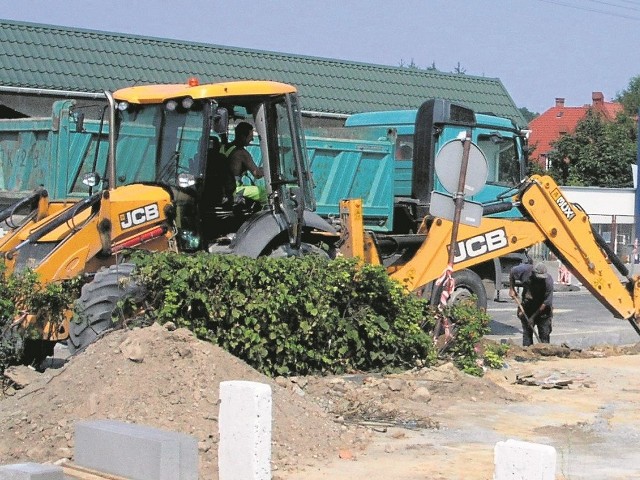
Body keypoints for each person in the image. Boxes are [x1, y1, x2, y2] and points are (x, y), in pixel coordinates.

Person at [220, 121, 266, 204]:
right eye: (250, 137)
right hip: (235, 190)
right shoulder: (241, 153)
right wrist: (266, 171)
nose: (252, 139)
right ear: (243, 136)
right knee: (265, 193)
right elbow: (257, 174)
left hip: (221, 188)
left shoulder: (223, 147)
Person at [508, 262, 554, 346]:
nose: (540, 279)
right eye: (538, 277)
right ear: (533, 273)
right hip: (528, 305)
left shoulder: (548, 282)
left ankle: (545, 353)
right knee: (527, 335)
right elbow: (512, 271)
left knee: (544, 335)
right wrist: (512, 288)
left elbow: (545, 303)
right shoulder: (524, 270)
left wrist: (532, 318)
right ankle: (527, 352)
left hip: (543, 309)